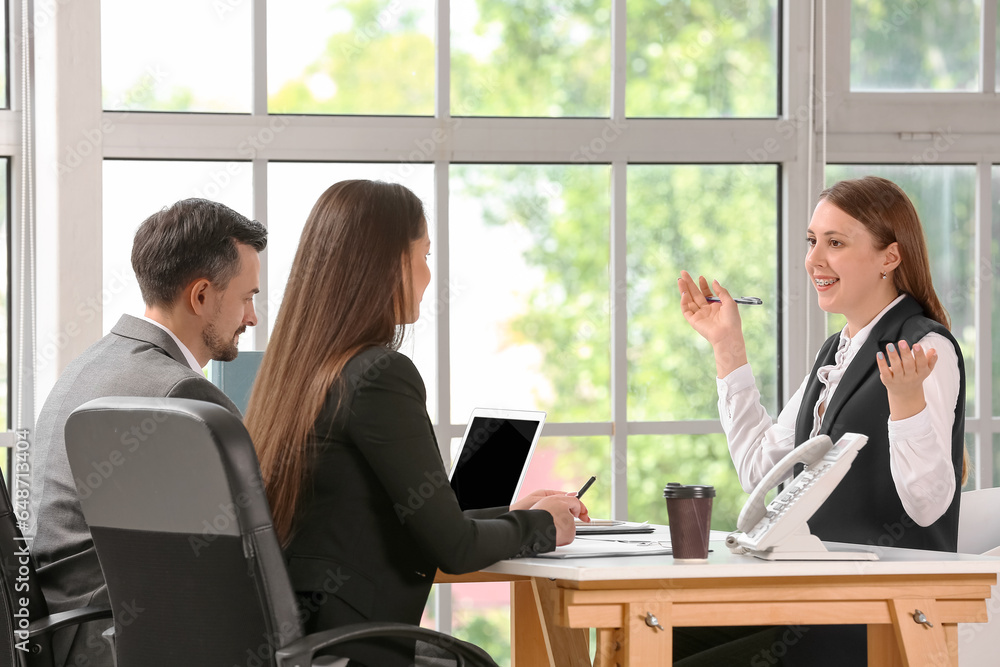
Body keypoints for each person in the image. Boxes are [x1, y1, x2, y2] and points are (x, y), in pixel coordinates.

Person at [246, 179, 587, 667]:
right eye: (424, 255)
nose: (429, 275)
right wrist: (543, 526)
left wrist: (511, 512)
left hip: (307, 647)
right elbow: (455, 549)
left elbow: (421, 527)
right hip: (357, 650)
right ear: (388, 264)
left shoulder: (296, 377)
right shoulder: (379, 375)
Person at [677, 175, 967, 665]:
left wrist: (907, 402)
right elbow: (757, 466)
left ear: (889, 258)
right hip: (808, 595)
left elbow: (928, 507)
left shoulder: (925, 347)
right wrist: (727, 346)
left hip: (876, 611)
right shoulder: (836, 352)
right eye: (813, 241)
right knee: (659, 639)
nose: (814, 259)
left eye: (835, 243)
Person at [27, 198, 267, 667]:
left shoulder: (85, 367)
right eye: (247, 297)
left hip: (60, 635)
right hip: (115, 642)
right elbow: (245, 552)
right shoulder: (183, 393)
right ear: (201, 296)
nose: (252, 318)